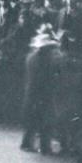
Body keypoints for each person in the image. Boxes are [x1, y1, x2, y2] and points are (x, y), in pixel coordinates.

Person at [20, 23, 61, 154]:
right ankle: (45, 147)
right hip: (43, 93)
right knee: (45, 121)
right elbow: (51, 77)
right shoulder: (45, 60)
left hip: (31, 92)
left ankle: (26, 143)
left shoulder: (31, 57)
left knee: (32, 120)